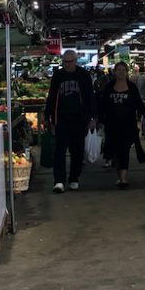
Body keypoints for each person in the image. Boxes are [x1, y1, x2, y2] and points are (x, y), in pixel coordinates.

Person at [45, 50, 96, 193]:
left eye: (70, 61)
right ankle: (59, 181)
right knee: (59, 150)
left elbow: (90, 97)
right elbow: (52, 96)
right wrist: (47, 115)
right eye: (65, 62)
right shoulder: (58, 75)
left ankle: (74, 178)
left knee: (77, 150)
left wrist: (93, 117)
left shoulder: (84, 75)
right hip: (61, 118)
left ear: (75, 61)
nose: (67, 64)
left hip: (80, 118)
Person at [98, 61, 145, 189]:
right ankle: (119, 176)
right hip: (112, 125)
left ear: (127, 72)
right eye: (118, 70)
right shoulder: (109, 87)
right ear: (114, 72)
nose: (121, 72)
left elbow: (139, 103)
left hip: (128, 124)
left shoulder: (132, 87)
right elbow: (103, 105)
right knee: (115, 151)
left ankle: (123, 178)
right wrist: (99, 120)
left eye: (123, 70)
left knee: (124, 150)